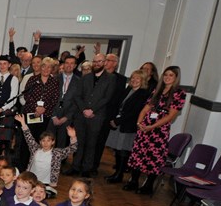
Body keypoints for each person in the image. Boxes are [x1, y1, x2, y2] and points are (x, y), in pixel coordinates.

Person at [124, 66, 186, 195]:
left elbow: (171, 116)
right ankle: (133, 181)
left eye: (171, 75)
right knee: (138, 154)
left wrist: (152, 127)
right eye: (166, 75)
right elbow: (146, 108)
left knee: (153, 157)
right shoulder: (158, 90)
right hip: (144, 127)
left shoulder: (179, 93)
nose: (167, 77)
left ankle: (148, 185)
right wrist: (139, 122)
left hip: (159, 130)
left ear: (176, 78)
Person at [68, 54, 114, 177]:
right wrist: (84, 109)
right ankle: (75, 167)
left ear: (104, 62)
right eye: (95, 61)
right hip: (81, 115)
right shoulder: (85, 77)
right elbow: (77, 95)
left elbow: (107, 97)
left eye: (100, 61)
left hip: (96, 116)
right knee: (79, 142)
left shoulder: (110, 78)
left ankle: (87, 169)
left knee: (91, 143)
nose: (97, 63)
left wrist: (92, 110)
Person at [104, 70, 150, 184]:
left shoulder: (143, 94)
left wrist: (118, 121)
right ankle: (116, 173)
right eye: (133, 78)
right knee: (117, 150)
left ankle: (120, 174)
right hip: (119, 124)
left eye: (137, 79)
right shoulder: (128, 90)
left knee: (123, 150)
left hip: (128, 126)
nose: (134, 80)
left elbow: (134, 112)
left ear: (143, 80)